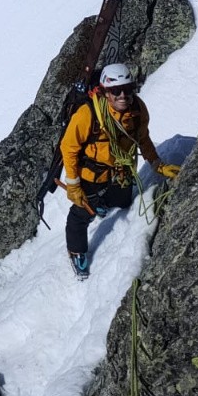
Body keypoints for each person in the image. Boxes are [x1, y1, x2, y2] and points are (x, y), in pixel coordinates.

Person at [57, 63, 179, 279]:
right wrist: (73, 183)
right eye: (116, 90)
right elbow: (69, 147)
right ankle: (77, 252)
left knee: (122, 202)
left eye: (128, 89)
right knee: (82, 213)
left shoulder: (137, 110)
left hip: (120, 169)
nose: (123, 95)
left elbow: (142, 138)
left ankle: (103, 203)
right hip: (91, 173)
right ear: (105, 92)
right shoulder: (88, 114)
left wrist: (156, 163)